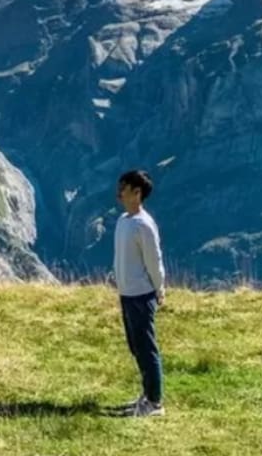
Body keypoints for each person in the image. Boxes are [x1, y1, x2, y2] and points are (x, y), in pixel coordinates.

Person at [114, 169, 166, 417]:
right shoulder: (124, 221)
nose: (120, 191)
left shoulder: (144, 225)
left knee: (147, 347)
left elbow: (154, 260)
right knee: (136, 346)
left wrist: (159, 288)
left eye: (125, 187)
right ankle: (146, 396)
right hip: (126, 293)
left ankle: (155, 402)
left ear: (138, 192)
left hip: (141, 294)